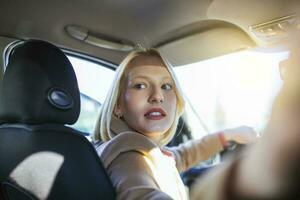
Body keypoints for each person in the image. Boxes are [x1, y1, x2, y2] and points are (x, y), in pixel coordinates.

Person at [93, 49, 258, 200]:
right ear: (117, 106)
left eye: (166, 86)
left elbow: (182, 155)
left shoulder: (151, 153)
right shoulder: (127, 154)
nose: (157, 96)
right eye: (140, 85)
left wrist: (227, 135)